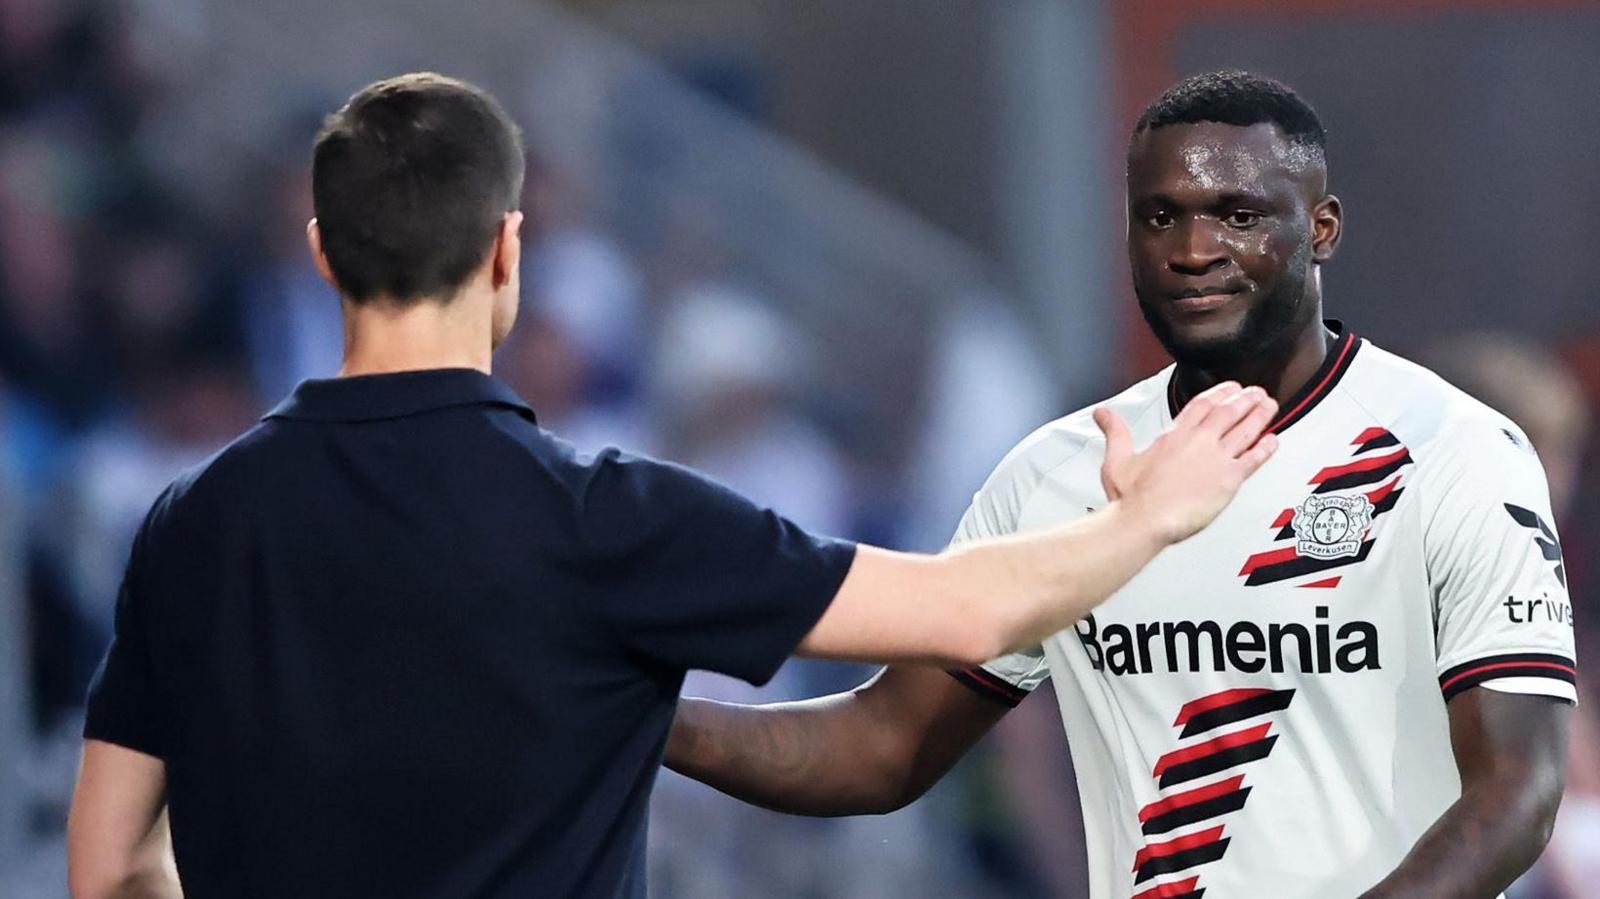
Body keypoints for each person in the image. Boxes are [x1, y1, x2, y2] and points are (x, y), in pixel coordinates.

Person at [64, 72, 1278, 899]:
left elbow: (109, 862)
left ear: (324, 250)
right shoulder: (602, 518)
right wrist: (1150, 513)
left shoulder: (192, 520)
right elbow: (962, 611)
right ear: (506, 251)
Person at [665, 70, 1575, 899]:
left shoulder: (1455, 448)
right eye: (1160, 215)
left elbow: (1518, 790)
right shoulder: (1054, 473)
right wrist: (644, 717)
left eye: (1240, 214)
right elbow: (882, 744)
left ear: (1323, 227)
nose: (1193, 248)